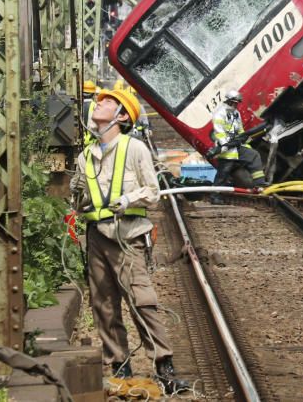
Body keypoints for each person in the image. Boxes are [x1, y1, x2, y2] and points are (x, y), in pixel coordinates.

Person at [70, 88, 190, 393]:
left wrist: (127, 199)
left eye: (108, 102)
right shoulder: (86, 156)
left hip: (128, 236)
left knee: (141, 301)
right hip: (97, 236)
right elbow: (79, 199)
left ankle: (165, 367)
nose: (100, 104)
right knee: (104, 305)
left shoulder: (134, 149)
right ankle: (120, 367)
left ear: (122, 116)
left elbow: (152, 191)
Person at [210, 89, 245, 204]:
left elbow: (239, 128)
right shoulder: (220, 112)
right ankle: (215, 196)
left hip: (234, 147)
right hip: (225, 148)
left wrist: (243, 138)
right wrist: (225, 143)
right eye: (235, 103)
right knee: (222, 173)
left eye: (237, 103)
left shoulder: (236, 113)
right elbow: (218, 130)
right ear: (230, 101)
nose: (236, 105)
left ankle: (220, 194)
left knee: (227, 174)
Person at [82, 80, 99, 147]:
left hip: (80, 140)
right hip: (92, 141)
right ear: (93, 94)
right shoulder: (95, 106)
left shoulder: (78, 105)